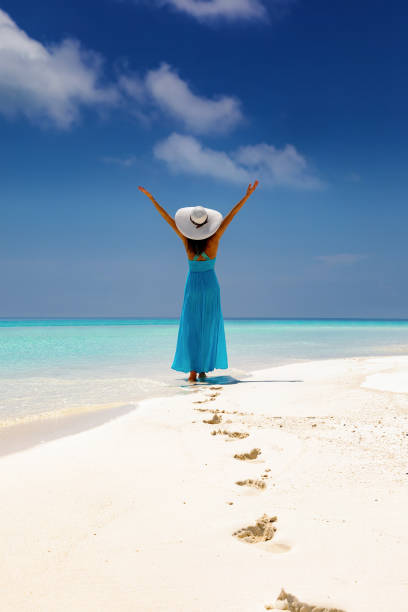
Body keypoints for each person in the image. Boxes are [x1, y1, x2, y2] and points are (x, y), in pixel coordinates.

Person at [138, 181, 259, 382]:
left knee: (191, 326)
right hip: (210, 284)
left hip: (192, 285)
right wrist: (247, 196)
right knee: (209, 324)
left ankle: (194, 371)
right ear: (207, 224)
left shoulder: (186, 241)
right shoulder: (215, 239)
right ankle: (203, 368)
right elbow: (231, 216)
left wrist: (151, 199)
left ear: (191, 224)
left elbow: (167, 219)